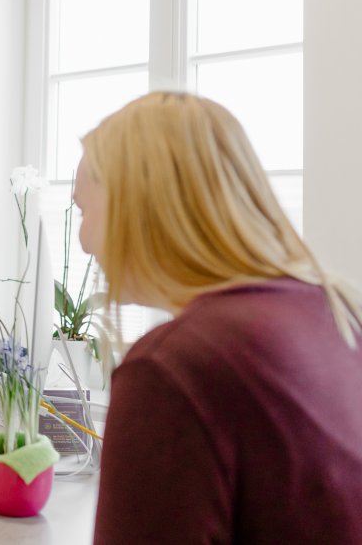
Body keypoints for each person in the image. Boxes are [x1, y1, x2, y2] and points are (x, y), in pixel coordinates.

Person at [77, 92, 362, 543]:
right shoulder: (335, 311)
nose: (83, 240)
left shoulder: (171, 369)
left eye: (83, 209)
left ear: (137, 208)